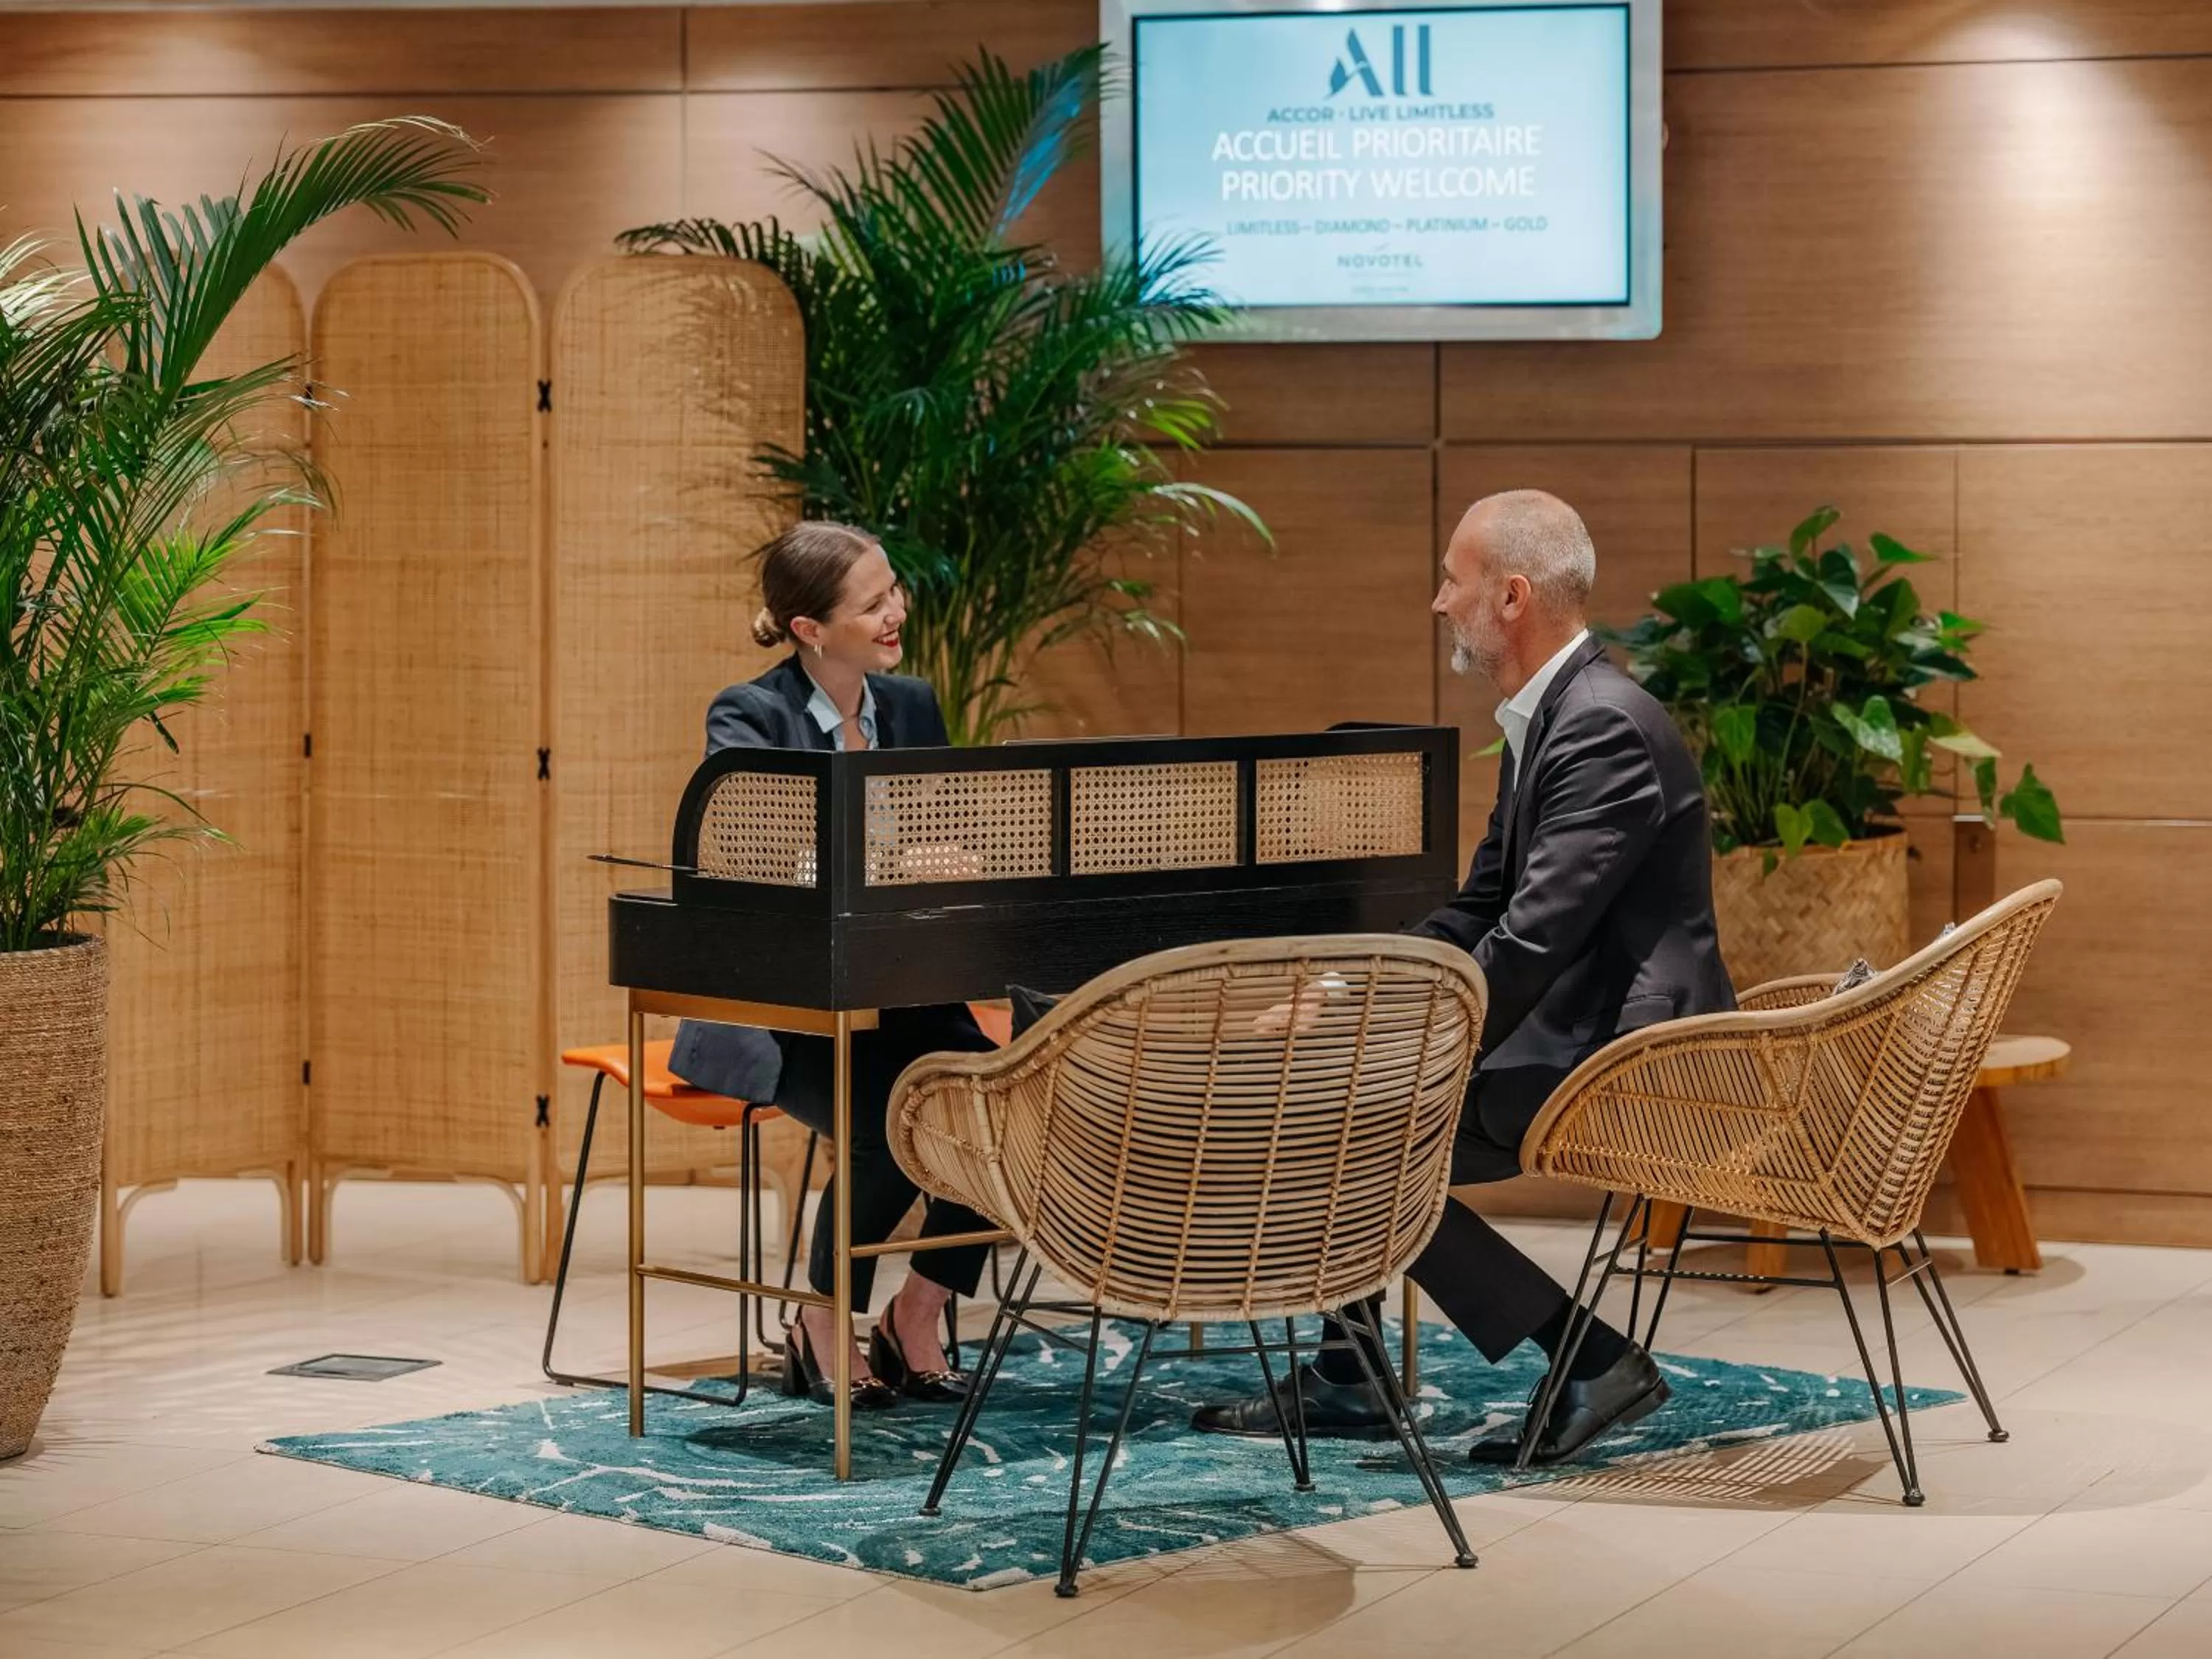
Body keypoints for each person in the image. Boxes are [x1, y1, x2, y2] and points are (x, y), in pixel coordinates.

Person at [1192, 490, 1736, 1464]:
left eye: (1454, 579)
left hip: (1623, 1053)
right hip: (1576, 1032)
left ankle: (1585, 1356)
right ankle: (1355, 1374)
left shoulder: (1602, 726)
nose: (1440, 601)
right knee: (1339, 1110)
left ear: (1514, 595)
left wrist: (1407, 1044)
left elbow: (1531, 942)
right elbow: (1481, 904)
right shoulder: (1555, 717)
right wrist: (1353, 993)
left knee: (1353, 1132)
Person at [667, 520, 996, 1411]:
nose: (898, 611)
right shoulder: (749, 714)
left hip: (906, 994)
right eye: (873, 602)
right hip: (789, 1007)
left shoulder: (914, 706)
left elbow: (953, 844)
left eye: (894, 589)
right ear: (810, 629)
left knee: (1007, 1102)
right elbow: (761, 858)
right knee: (895, 1120)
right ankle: (821, 1319)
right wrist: (895, 865)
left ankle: (917, 1315)